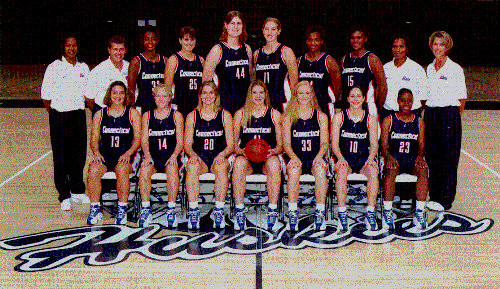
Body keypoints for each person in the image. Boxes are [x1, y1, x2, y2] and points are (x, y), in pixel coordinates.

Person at [41, 34, 90, 211]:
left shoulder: (83, 67)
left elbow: (87, 94)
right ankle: (64, 194)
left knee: (78, 155)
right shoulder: (54, 68)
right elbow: (46, 98)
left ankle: (77, 190)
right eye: (68, 45)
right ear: (63, 47)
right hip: (59, 116)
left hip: (78, 115)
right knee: (61, 156)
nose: (71, 49)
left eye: (74, 45)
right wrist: (57, 113)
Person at [86, 81, 141, 225]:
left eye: (121, 93)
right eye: (115, 92)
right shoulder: (100, 114)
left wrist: (129, 153)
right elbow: (93, 139)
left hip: (126, 155)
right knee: (93, 170)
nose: (118, 96)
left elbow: (137, 140)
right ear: (109, 95)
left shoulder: (132, 113)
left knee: (122, 169)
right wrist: (96, 153)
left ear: (126, 95)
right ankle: (95, 208)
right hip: (106, 155)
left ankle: (122, 208)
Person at [424, 31, 467, 212]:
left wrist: (451, 119)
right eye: (435, 44)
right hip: (431, 114)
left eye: (441, 44)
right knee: (433, 157)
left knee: (448, 158)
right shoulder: (429, 68)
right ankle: (434, 196)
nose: (438, 48)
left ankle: (446, 199)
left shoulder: (455, 69)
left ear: (447, 46)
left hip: (449, 114)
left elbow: (462, 100)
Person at [232, 80, 283, 231]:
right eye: (255, 92)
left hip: (267, 158)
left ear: (266, 94)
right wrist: (240, 151)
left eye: (261, 92)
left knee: (275, 164)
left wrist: (274, 151)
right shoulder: (240, 114)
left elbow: (280, 146)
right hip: (248, 159)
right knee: (238, 164)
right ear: (250, 95)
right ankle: (240, 210)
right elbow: (234, 145)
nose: (258, 96)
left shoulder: (274, 114)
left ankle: (272, 210)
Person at [184, 81, 234, 229]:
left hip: (218, 155)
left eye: (211, 92)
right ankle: (194, 211)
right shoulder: (192, 115)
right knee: (192, 166)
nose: (207, 96)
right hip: (201, 156)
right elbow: (187, 144)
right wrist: (192, 155)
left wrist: (223, 154)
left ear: (216, 95)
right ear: (200, 95)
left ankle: (218, 211)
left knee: (221, 168)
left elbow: (231, 145)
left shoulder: (224, 115)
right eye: (204, 93)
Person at [282, 81, 329, 231]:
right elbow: (286, 145)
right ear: (295, 95)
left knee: (321, 171)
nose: (303, 96)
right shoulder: (289, 117)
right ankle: (293, 212)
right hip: (296, 155)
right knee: (294, 172)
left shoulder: (321, 116)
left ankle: (320, 212)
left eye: (307, 93)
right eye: (300, 93)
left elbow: (324, 143)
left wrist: (320, 156)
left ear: (312, 95)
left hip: (315, 156)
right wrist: (293, 157)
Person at [331, 86, 379, 232]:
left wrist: (371, 158)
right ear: (347, 98)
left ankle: (370, 212)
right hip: (345, 157)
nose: (356, 99)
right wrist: (339, 157)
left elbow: (374, 144)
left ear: (364, 99)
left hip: (363, 158)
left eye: (359, 96)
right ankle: (342, 213)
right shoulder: (339, 117)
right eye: (352, 96)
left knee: (373, 172)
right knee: (341, 172)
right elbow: (334, 143)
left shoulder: (370, 118)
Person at [380, 88, 428, 230]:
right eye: (403, 100)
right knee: (390, 170)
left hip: (411, 158)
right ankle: (387, 212)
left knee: (423, 169)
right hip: (394, 157)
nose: (406, 103)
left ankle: (419, 212)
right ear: (398, 101)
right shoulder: (389, 120)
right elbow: (383, 146)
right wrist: (389, 157)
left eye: (409, 100)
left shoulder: (419, 121)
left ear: (413, 102)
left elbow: (421, 145)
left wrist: (419, 157)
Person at [137, 84, 184, 228]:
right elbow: (144, 140)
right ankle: (145, 209)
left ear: (170, 97)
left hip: (170, 155)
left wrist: (174, 156)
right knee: (144, 171)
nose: (161, 99)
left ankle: (171, 209)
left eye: (165, 96)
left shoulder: (176, 115)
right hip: (154, 156)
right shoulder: (147, 115)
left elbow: (180, 142)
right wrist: (147, 156)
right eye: (158, 96)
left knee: (171, 170)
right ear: (154, 97)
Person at [202, 10, 253, 115]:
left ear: (243, 26)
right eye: (232, 23)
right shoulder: (217, 50)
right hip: (224, 105)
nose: (236, 27)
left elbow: (251, 77)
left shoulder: (247, 49)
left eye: (239, 23)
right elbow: (205, 82)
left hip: (245, 104)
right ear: (226, 25)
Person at [340, 28, 386, 119]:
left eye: (359, 38)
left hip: (367, 107)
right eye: (352, 38)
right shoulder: (344, 59)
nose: (355, 41)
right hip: (348, 107)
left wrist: (378, 106)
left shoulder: (372, 59)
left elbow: (382, 86)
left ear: (365, 39)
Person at [254, 17, 298, 112]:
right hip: (262, 102)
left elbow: (294, 82)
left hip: (282, 101)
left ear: (279, 31)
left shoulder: (286, 52)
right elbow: (254, 80)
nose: (270, 32)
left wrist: (293, 104)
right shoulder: (257, 54)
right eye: (267, 29)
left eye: (273, 29)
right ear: (263, 31)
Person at [297, 25, 341, 118]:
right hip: (304, 105)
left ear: (321, 41)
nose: (313, 43)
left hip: (324, 106)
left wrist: (329, 101)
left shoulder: (329, 61)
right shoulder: (299, 61)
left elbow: (337, 88)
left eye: (316, 40)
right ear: (306, 41)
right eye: (310, 40)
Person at [381, 35, 428, 121]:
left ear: (407, 48)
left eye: (401, 46)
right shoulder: (385, 68)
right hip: (389, 113)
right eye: (395, 46)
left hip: (411, 114)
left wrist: (410, 111)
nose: (397, 50)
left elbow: (423, 97)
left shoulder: (417, 68)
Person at [165, 26, 204, 118]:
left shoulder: (201, 60)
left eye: (192, 39)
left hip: (197, 105)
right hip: (179, 106)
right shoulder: (174, 59)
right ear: (180, 40)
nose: (189, 43)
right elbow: (167, 87)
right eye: (186, 39)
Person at [85, 35, 129, 114]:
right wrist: (100, 114)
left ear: (125, 50)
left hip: (125, 114)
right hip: (104, 113)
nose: (118, 53)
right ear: (109, 50)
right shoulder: (98, 70)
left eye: (121, 49)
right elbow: (89, 97)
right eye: (115, 49)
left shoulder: (131, 68)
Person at [128, 26, 166, 114]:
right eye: (146, 39)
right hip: (142, 106)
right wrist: (132, 111)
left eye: (153, 39)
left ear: (157, 41)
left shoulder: (165, 61)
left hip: (160, 106)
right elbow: (130, 90)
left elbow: (169, 87)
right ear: (142, 41)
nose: (150, 42)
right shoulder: (136, 61)